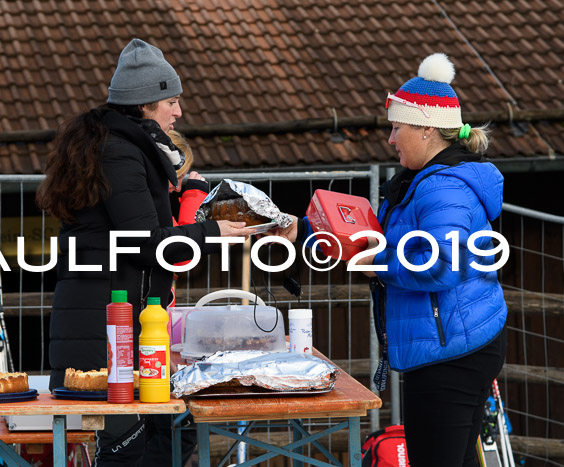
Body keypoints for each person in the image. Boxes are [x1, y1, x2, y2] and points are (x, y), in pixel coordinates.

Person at [276, 53, 507, 466]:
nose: (391, 138)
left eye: (397, 127)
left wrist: (375, 261)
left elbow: (441, 264)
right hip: (452, 345)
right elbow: (377, 238)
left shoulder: (443, 189)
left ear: (427, 129)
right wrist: (303, 231)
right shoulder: (420, 182)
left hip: (449, 355)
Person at [36, 38, 254, 466]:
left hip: (123, 320)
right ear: (145, 103)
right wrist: (213, 232)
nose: (178, 112)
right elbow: (144, 241)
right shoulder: (119, 151)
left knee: (174, 431)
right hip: (105, 328)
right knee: (127, 448)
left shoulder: (121, 146)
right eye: (171, 101)